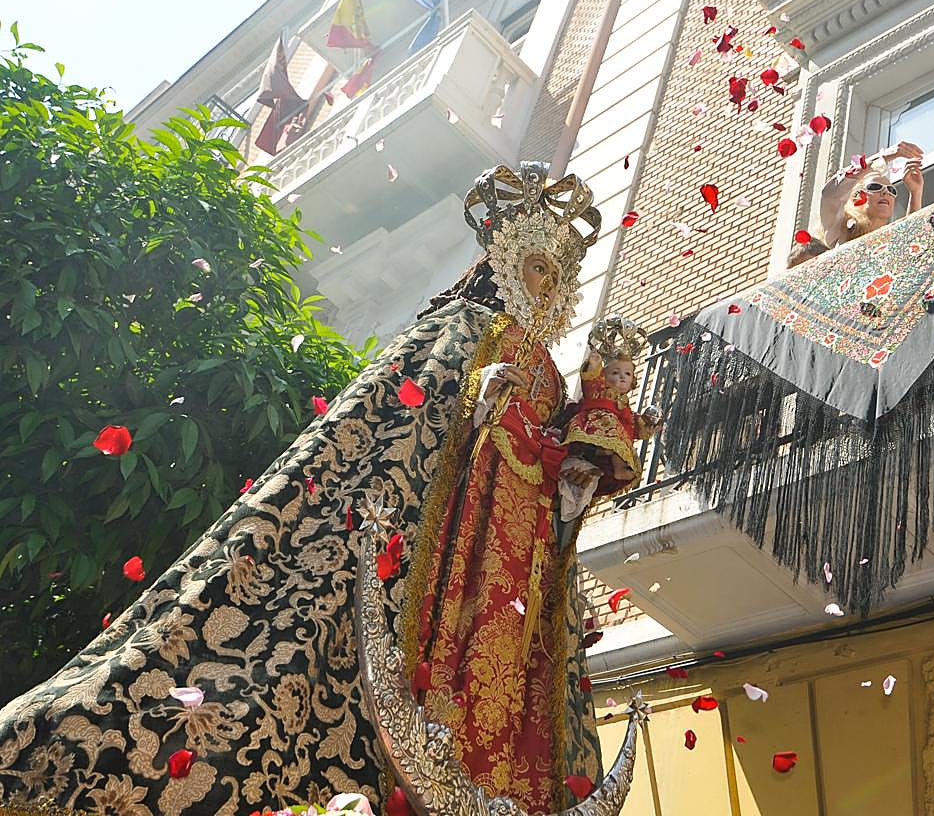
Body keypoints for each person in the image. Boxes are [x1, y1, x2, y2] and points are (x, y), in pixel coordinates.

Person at [0, 162, 612, 815]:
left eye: (559, 276)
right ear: (510, 259)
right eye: (540, 266)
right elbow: (391, 434)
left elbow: (555, 474)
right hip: (434, 550)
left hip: (510, 572)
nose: (547, 286)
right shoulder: (462, 327)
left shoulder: (546, 370)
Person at [559, 317, 662, 520]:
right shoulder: (599, 389)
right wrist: (594, 365)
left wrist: (648, 425)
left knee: (621, 442)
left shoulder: (624, 406)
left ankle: (618, 468)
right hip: (593, 425)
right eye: (615, 372)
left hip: (616, 434)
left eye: (627, 374)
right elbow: (589, 381)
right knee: (613, 436)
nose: (622, 377)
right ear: (604, 376)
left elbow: (633, 424)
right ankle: (599, 452)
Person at [819, 141, 925, 248]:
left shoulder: (894, 238)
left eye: (891, 190)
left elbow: (912, 239)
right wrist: (883, 157)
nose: (885, 192)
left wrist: (915, 192)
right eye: (875, 187)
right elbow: (830, 194)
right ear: (856, 196)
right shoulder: (841, 228)